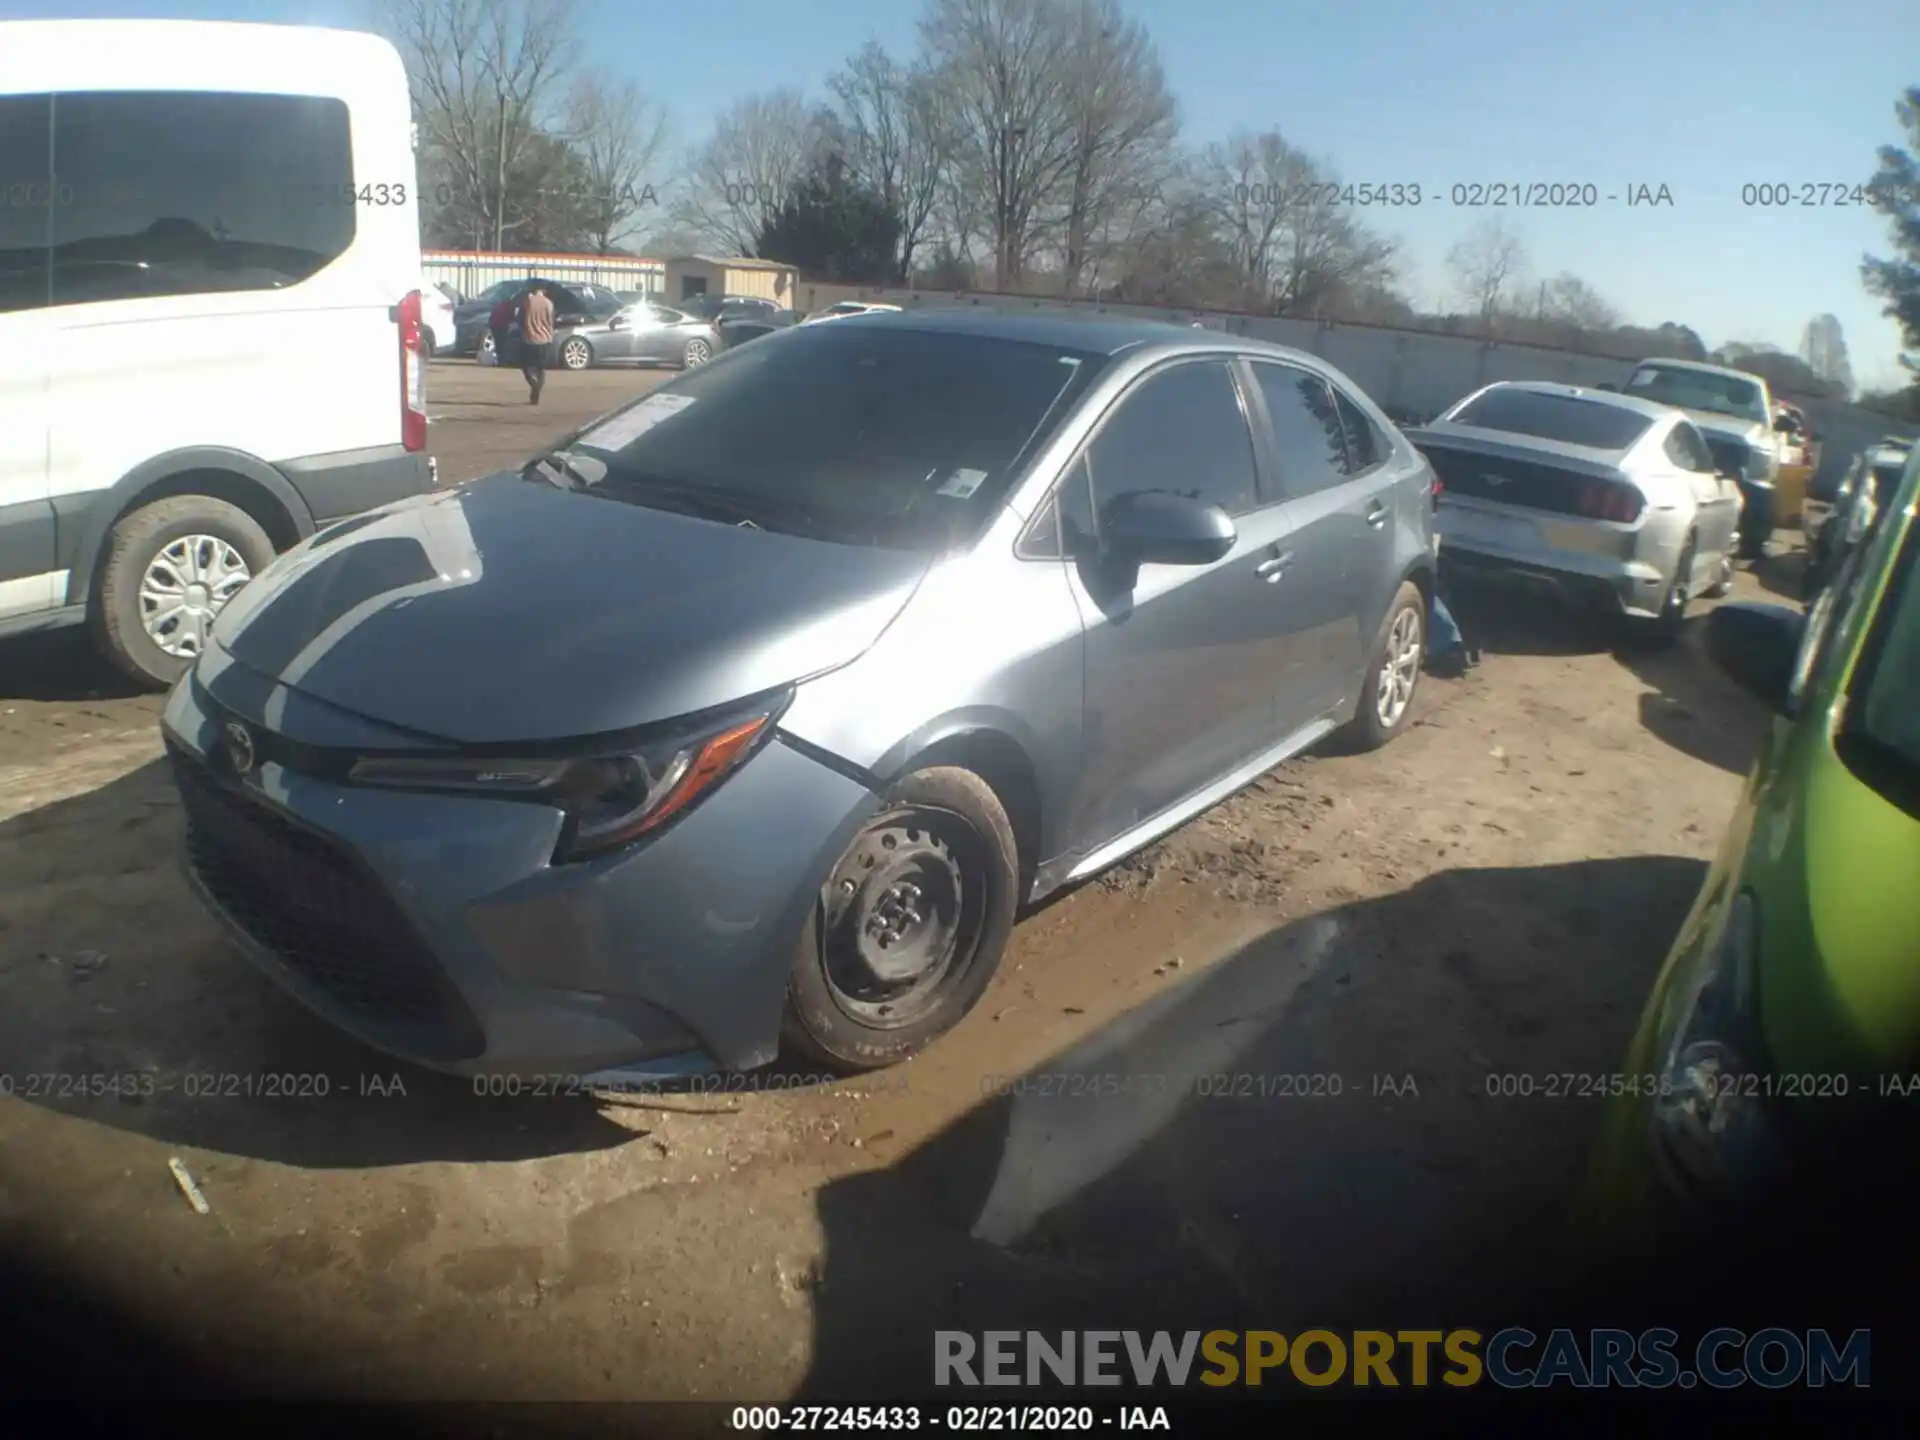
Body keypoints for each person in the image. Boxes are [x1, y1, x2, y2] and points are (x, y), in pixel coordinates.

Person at [519, 283, 556, 404]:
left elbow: (520, 318)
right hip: (545, 339)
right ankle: (537, 388)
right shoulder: (549, 303)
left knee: (526, 366)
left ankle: (533, 382)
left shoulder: (528, 301)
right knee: (541, 368)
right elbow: (551, 321)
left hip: (529, 338)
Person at [487, 292, 515, 368]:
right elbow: (511, 316)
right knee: (504, 345)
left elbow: (492, 316)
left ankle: (500, 360)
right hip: (503, 327)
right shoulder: (509, 306)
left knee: (498, 344)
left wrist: (490, 325)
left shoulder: (497, 306)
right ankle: (503, 361)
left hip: (495, 326)